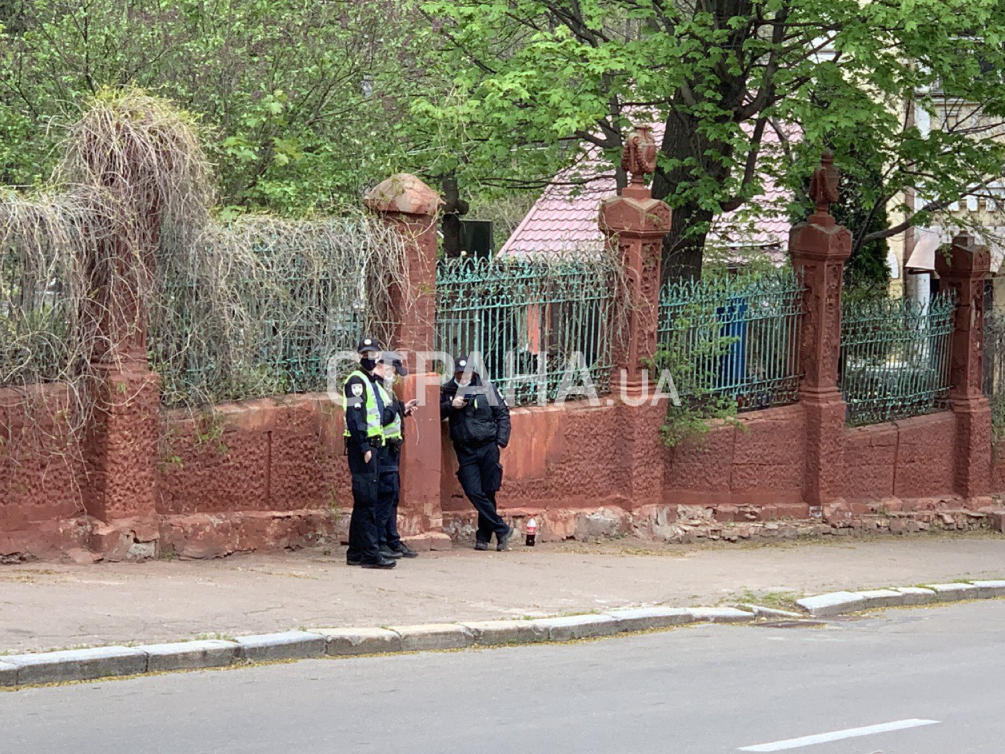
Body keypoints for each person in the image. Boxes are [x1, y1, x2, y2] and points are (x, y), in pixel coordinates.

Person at [440, 356, 513, 551]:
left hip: (488, 445)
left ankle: (483, 536)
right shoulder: (447, 390)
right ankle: (502, 528)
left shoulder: (486, 388)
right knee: (473, 491)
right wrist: (450, 406)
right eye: (459, 374)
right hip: (465, 449)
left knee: (489, 491)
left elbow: (503, 413)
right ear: (454, 373)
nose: (464, 377)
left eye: (467, 373)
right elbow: (435, 413)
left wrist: (500, 441)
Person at [342, 337, 397, 569]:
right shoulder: (356, 381)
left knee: (364, 500)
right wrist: (364, 447)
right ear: (359, 357)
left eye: (372, 354)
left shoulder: (369, 381)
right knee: (367, 501)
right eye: (365, 354)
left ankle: (355, 552)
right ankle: (370, 554)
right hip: (362, 447)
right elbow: (354, 418)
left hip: (373, 445)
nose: (369, 358)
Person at [372, 351, 419, 560]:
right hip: (382, 448)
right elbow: (381, 417)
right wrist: (398, 407)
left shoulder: (386, 388)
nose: (396, 376)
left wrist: (402, 409)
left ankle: (391, 539)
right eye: (394, 371)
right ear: (385, 366)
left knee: (392, 495)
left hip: (391, 448)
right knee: (385, 494)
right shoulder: (374, 386)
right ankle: (381, 540)